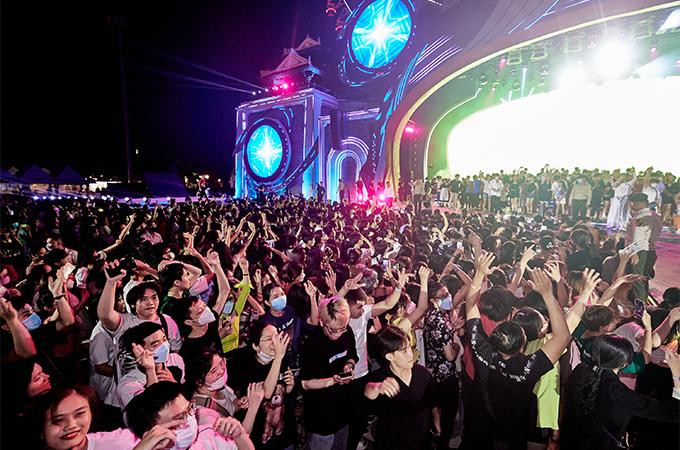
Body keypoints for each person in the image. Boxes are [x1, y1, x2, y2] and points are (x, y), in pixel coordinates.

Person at [465, 253, 572, 448]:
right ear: (523, 346)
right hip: (511, 435)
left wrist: (479, 275)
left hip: (480, 427)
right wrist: (548, 295)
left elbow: (470, 305)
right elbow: (563, 337)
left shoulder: (482, 352)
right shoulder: (527, 367)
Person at [561, 335, 680, 450]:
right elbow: (673, 413)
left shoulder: (580, 370)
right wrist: (676, 374)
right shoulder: (616, 392)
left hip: (572, 442)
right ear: (624, 364)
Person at [300, 296, 357, 449]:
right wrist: (332, 381)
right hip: (321, 413)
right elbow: (305, 384)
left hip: (343, 408)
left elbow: (352, 355)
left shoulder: (346, 331)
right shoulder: (311, 345)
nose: (338, 333)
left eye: (342, 328)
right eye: (333, 329)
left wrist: (349, 366)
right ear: (321, 322)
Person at [227, 323, 297, 449]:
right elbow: (267, 393)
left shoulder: (281, 360)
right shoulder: (248, 369)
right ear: (256, 346)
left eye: (276, 337)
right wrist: (278, 357)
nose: (275, 342)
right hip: (261, 438)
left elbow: (283, 394)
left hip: (283, 436)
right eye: (269, 339)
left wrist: (289, 387)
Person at [365, 326, 436, 450]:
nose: (411, 354)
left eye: (409, 347)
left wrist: (437, 419)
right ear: (389, 356)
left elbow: (432, 401)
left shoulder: (423, 373)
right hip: (393, 443)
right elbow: (368, 392)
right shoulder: (381, 378)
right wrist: (377, 387)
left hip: (421, 441)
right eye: (404, 351)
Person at [625, 192, 663, 301]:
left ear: (636, 203)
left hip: (640, 252)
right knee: (644, 279)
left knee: (638, 280)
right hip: (650, 251)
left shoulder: (641, 218)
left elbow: (637, 238)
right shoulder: (655, 216)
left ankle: (640, 307)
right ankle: (643, 301)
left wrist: (634, 253)